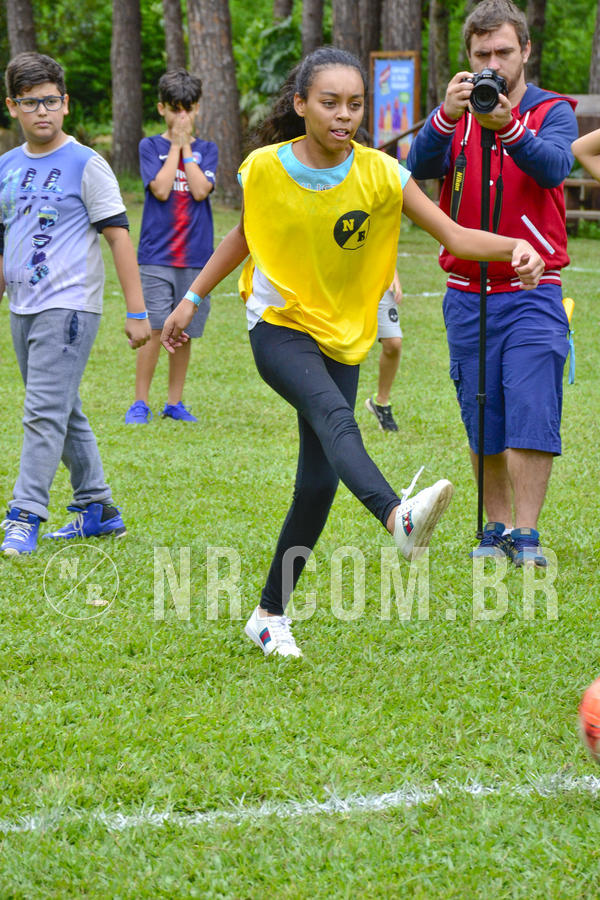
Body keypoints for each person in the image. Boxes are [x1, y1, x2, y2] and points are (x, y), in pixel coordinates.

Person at [161, 47, 543, 659]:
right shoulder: (265, 168)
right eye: (330, 103)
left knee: (317, 484)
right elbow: (244, 235)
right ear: (301, 104)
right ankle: (397, 517)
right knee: (336, 416)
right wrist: (192, 297)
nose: (344, 115)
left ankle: (268, 615)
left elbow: (453, 234)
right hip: (278, 324)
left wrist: (514, 247)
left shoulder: (383, 174)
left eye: (355, 105)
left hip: (342, 334)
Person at [407, 0, 577, 568]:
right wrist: (444, 115)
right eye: (482, 54)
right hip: (466, 291)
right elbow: (417, 165)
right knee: (483, 412)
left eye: (504, 51)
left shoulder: (551, 110)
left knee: (532, 407)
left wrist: (508, 126)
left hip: (534, 289)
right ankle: (495, 528)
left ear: (525, 50)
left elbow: (555, 167)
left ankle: (526, 534)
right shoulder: (457, 113)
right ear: (469, 56)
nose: (493, 65)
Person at [0, 52, 151, 557]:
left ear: (65, 103)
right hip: (22, 307)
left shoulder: (86, 163)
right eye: (29, 102)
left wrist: (137, 311)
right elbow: (5, 238)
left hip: (68, 308)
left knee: (42, 412)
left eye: (49, 101)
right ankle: (97, 508)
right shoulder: (6, 167)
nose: (41, 111)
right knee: (61, 407)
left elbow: (118, 237)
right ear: (12, 107)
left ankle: (24, 514)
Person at [125, 68, 218, 424]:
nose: (182, 116)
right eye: (175, 109)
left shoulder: (207, 150)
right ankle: (140, 403)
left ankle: (174, 403)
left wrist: (186, 149)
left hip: (196, 258)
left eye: (188, 109)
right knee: (154, 328)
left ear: (197, 109)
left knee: (183, 331)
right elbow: (162, 189)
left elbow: (200, 189)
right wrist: (177, 146)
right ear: (161, 108)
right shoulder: (150, 146)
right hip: (156, 255)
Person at [365, 268, 403, 432]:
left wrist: (393, 273)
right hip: (340, 282)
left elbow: (388, 249)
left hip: (378, 277)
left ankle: (381, 402)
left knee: (393, 344)